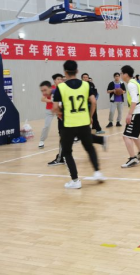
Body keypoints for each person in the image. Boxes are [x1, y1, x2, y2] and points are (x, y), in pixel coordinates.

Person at [52, 60, 105, 189]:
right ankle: (97, 172)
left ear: (65, 72)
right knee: (89, 147)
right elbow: (93, 102)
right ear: (77, 71)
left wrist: (60, 115)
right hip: (84, 122)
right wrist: (90, 116)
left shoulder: (61, 87)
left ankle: (75, 180)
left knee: (67, 152)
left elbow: (55, 107)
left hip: (68, 124)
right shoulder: (86, 85)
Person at [119, 65, 140, 168]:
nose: (121, 75)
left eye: (121, 73)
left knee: (126, 136)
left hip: (138, 113)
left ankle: (133, 159)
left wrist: (129, 114)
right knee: (134, 135)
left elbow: (134, 100)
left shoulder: (131, 84)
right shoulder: (135, 82)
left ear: (126, 74)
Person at [38, 75, 63, 149]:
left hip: (59, 109)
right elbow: (42, 99)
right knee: (47, 126)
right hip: (50, 110)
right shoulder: (49, 89)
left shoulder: (62, 88)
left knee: (66, 123)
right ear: (54, 80)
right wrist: (52, 101)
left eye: (60, 79)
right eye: (58, 79)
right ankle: (41, 140)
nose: (59, 80)